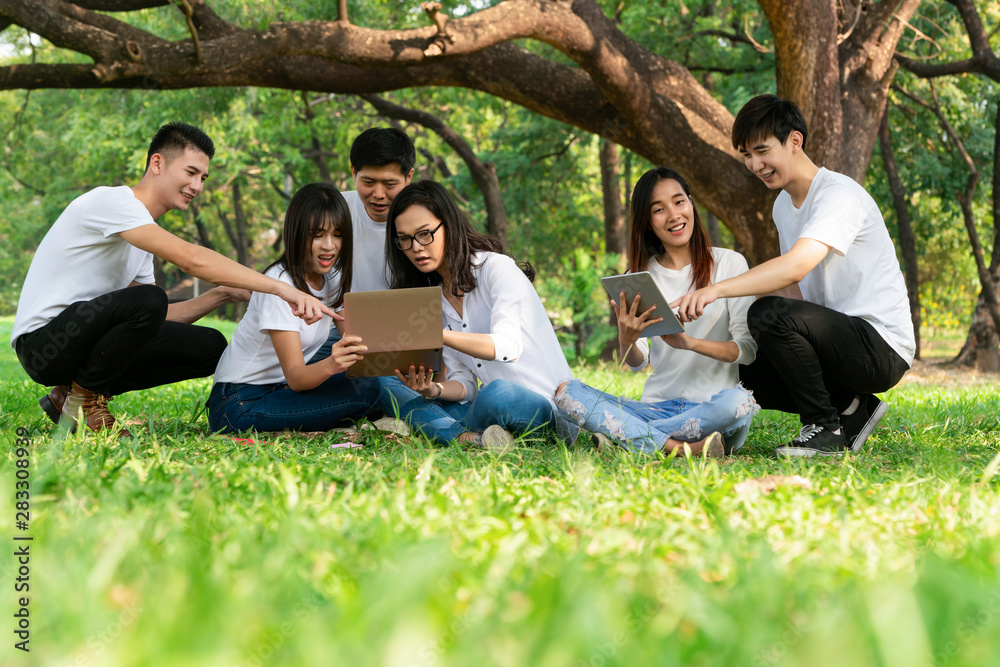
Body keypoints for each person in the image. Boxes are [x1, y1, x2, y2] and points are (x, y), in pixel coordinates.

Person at [11, 122, 334, 437]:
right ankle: (84, 401)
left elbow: (153, 319)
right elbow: (188, 259)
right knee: (151, 298)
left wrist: (220, 295)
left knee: (208, 347)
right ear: (157, 163)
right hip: (43, 344)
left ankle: (67, 395)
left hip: (77, 343)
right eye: (191, 172)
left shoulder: (139, 238)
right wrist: (279, 287)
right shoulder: (112, 202)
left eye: (204, 178)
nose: (198, 186)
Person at [673, 94, 914, 457]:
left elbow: (796, 266)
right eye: (746, 155)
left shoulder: (838, 194)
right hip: (838, 342)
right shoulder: (784, 205)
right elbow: (797, 292)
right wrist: (732, 320)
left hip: (880, 347)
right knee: (745, 365)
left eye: (762, 150)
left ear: (795, 141)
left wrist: (716, 290)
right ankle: (852, 409)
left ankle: (825, 430)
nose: (755, 164)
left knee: (766, 314)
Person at [553, 167, 759, 457]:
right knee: (568, 393)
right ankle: (678, 447)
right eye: (659, 210)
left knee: (740, 402)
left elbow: (747, 350)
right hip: (656, 406)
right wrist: (627, 338)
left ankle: (631, 434)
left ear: (691, 203)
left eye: (679, 202)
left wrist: (689, 343)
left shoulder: (729, 264)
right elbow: (637, 363)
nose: (674, 215)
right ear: (648, 222)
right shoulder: (638, 277)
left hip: (714, 408)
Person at [378, 180, 579, 448]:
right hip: (486, 407)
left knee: (496, 393)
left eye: (425, 234)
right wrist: (432, 389)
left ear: (448, 226)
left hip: (545, 408)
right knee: (402, 395)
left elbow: (508, 347)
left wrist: (440, 336)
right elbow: (465, 384)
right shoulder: (435, 298)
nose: (415, 247)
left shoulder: (496, 268)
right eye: (404, 239)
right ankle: (475, 437)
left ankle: (438, 428)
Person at [207, 183, 380, 433]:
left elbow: (354, 337)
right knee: (365, 392)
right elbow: (297, 378)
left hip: (279, 391)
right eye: (318, 235)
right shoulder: (279, 285)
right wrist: (334, 364)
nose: (329, 246)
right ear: (297, 234)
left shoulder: (333, 277)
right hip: (239, 405)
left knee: (368, 382)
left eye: (338, 234)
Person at [312, 127, 415, 360]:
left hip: (403, 336)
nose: (378, 194)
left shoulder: (422, 220)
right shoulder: (334, 212)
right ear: (353, 172)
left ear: (408, 177)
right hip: (333, 334)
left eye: (390, 184)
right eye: (368, 182)